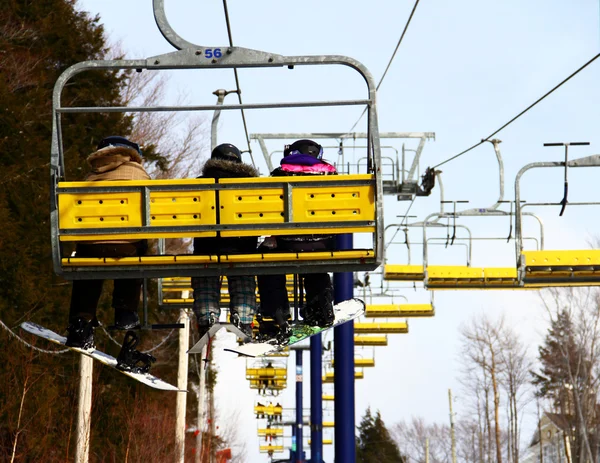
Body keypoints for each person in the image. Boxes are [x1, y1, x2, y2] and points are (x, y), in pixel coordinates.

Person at [65, 136, 150, 355]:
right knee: (137, 253)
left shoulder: (91, 175)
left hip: (91, 246)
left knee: (86, 262)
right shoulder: (138, 173)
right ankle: (125, 312)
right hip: (127, 246)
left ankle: (81, 323)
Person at [257, 139, 336, 338]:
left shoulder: (279, 174)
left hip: (288, 241)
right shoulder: (332, 175)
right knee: (314, 255)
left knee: (268, 259)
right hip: (322, 241)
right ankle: (320, 306)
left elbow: (267, 209)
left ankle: (276, 315)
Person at [192, 143, 259, 338]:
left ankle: (207, 318)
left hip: (207, 247)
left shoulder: (199, 184)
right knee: (242, 274)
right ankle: (243, 318)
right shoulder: (252, 186)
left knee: (205, 274)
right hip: (241, 248)